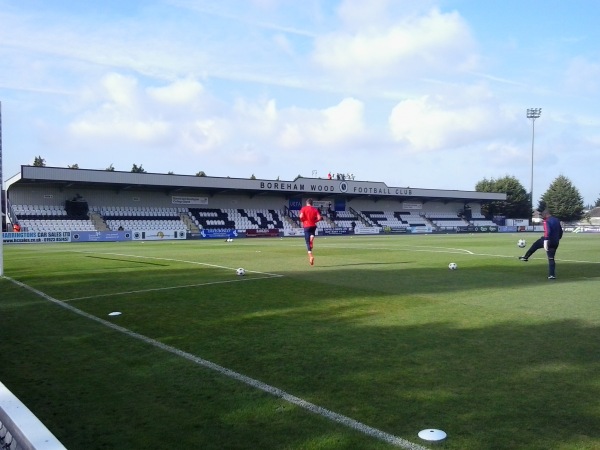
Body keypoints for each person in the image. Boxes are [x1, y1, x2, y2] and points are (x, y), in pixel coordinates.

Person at [519, 209, 563, 279]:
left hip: (548, 240)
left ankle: (525, 257)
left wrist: (545, 241)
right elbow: (561, 231)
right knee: (551, 258)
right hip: (555, 242)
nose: (543, 217)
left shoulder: (546, 221)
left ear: (546, 214)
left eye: (543, 216)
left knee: (535, 245)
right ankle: (552, 275)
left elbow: (547, 232)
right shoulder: (557, 220)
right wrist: (558, 238)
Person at [299, 198, 322, 266]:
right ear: (312, 203)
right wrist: (314, 221)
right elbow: (319, 218)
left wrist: (302, 220)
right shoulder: (315, 209)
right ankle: (312, 239)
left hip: (306, 226)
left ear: (307, 203)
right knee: (312, 234)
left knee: (307, 242)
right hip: (313, 226)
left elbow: (301, 216)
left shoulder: (303, 208)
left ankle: (311, 256)